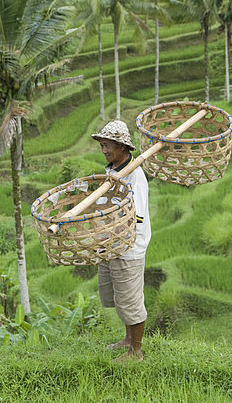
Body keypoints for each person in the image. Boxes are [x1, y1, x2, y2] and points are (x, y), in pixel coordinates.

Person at [91, 119, 151, 362]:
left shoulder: (135, 177)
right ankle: (127, 339)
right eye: (102, 146)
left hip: (128, 248)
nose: (104, 150)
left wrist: (109, 232)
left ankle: (135, 351)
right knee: (117, 297)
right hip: (110, 245)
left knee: (130, 299)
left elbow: (135, 217)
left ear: (123, 147)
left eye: (108, 146)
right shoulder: (112, 170)